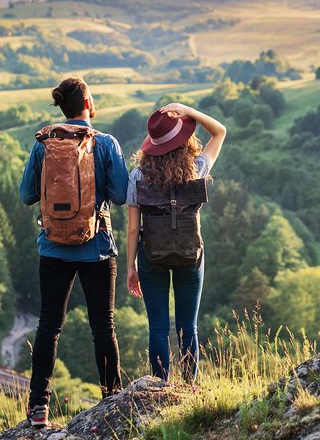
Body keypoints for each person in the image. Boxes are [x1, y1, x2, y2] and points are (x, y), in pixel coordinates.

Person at [18, 77, 129, 426]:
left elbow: (26, 195)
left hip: (53, 248)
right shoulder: (105, 143)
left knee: (49, 326)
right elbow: (123, 194)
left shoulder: (43, 145)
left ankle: (38, 408)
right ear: (87, 102)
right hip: (96, 246)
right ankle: (112, 399)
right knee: (103, 327)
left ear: (62, 106)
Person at [125, 102, 226, 382]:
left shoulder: (138, 176)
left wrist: (131, 267)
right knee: (188, 326)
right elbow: (220, 132)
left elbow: (133, 229)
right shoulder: (197, 168)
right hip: (190, 255)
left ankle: (160, 386)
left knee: (158, 328)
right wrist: (189, 111)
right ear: (184, 141)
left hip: (151, 256)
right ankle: (191, 386)